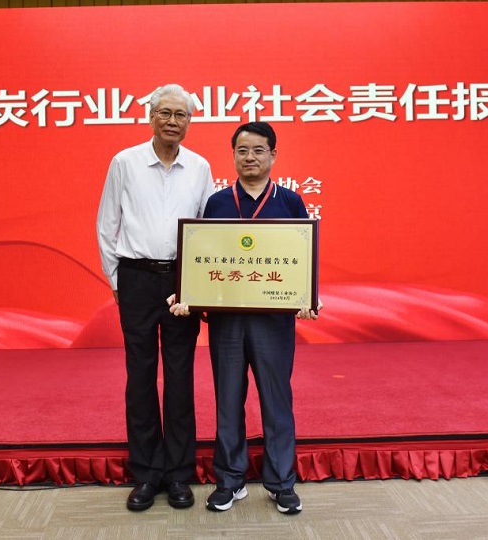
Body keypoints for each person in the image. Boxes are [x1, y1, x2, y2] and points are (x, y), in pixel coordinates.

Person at [170, 121, 320, 515]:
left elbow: (302, 259)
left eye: (258, 150)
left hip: (273, 321)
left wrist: (307, 297)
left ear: (273, 154)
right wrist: (189, 294)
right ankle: (230, 480)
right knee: (228, 400)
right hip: (228, 321)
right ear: (233, 155)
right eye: (242, 150)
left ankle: (281, 483)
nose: (249, 157)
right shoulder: (218, 203)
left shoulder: (290, 202)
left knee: (276, 400)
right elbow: (205, 260)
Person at [96, 83, 215, 512]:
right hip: (136, 278)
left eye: (180, 115)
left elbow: (206, 230)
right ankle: (147, 472)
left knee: (180, 378)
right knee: (140, 376)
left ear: (190, 122)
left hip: (181, 282)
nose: (172, 121)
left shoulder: (199, 167)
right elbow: (107, 222)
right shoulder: (125, 162)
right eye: (164, 113)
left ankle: (179, 473)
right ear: (150, 116)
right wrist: (117, 279)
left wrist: (199, 285)